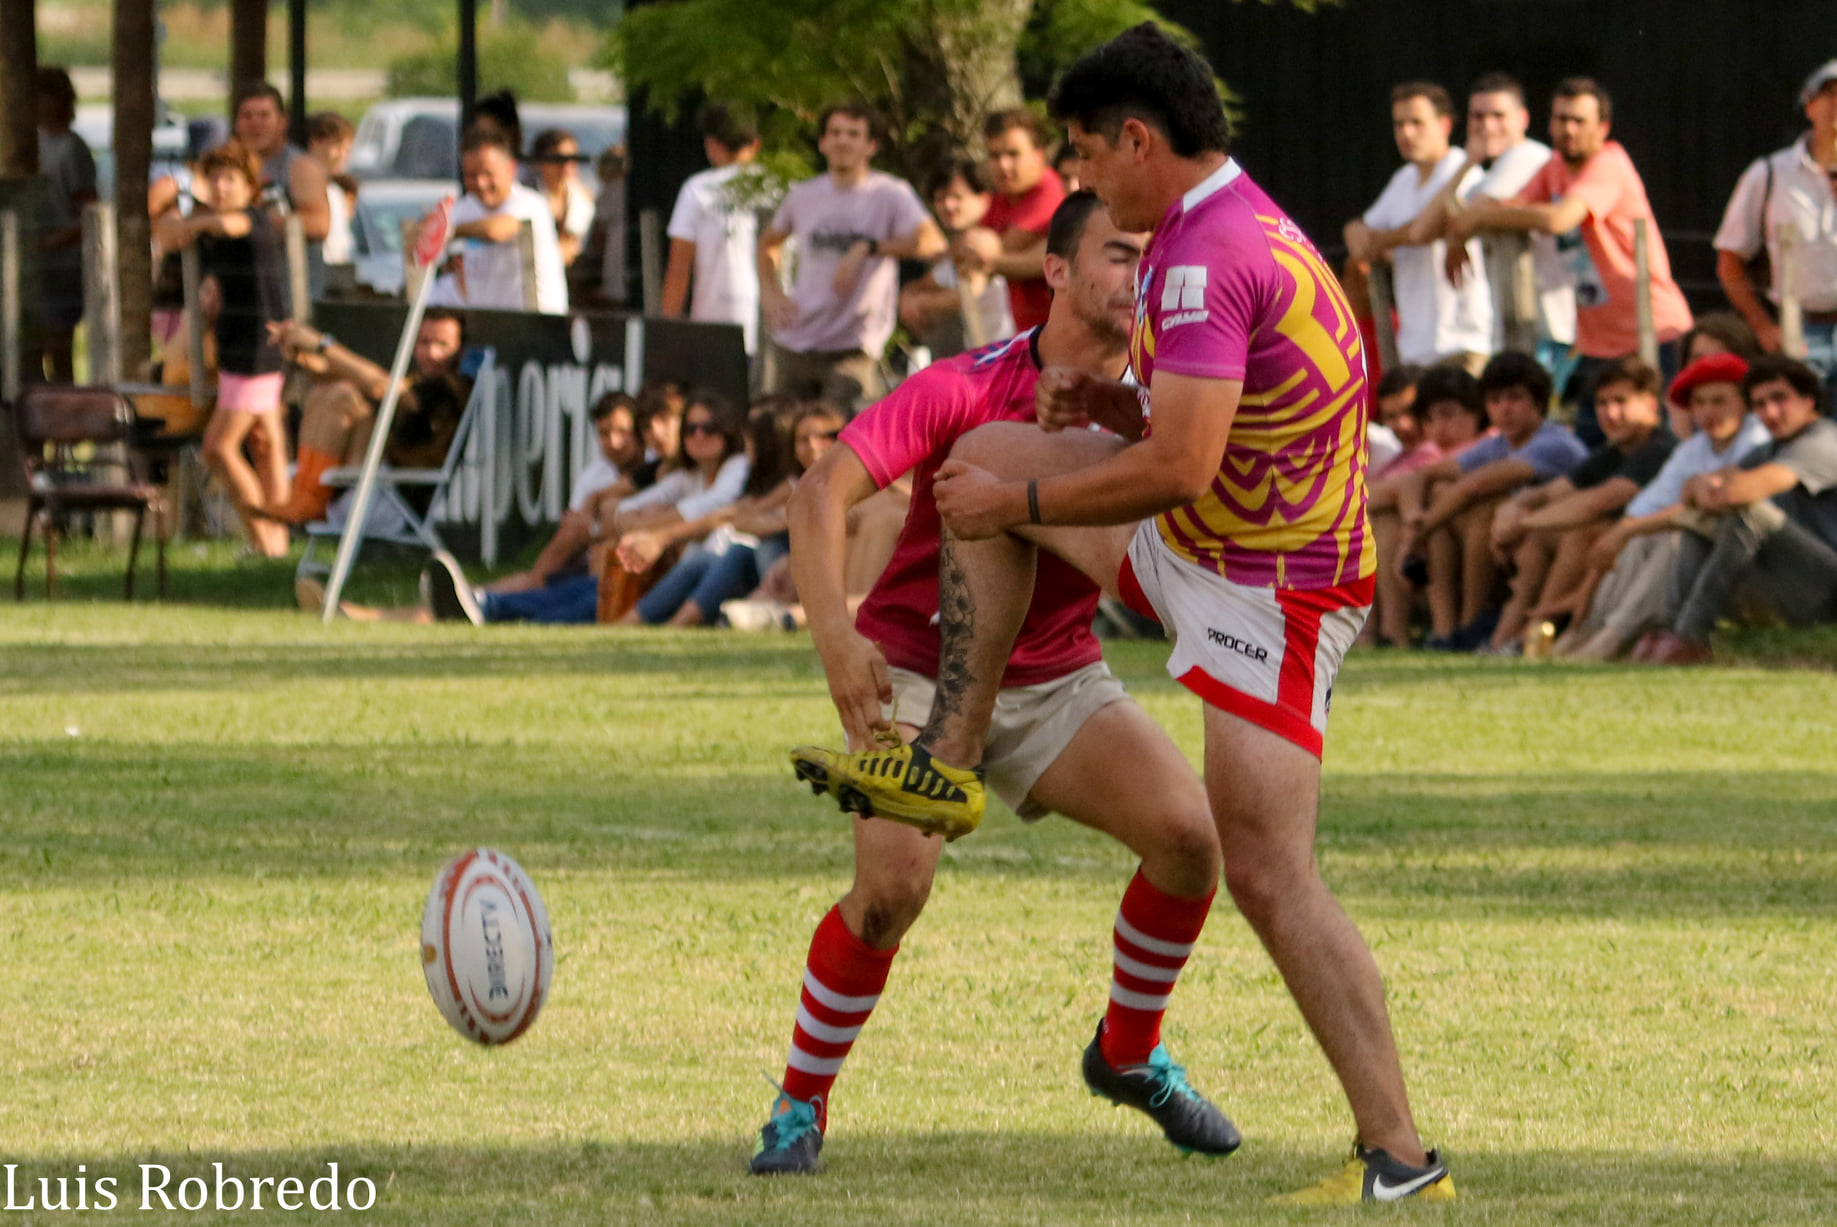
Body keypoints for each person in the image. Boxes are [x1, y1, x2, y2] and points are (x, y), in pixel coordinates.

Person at [793, 26, 1453, 1204]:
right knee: (989, 449)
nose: (1083, 178)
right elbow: (1204, 414)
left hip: (1271, 589)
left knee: (1263, 870)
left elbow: (1184, 464)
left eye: (1090, 157)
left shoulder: (1201, 257)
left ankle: (1400, 1156)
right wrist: (1096, 405)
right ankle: (945, 758)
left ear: (1140, 140)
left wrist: (1025, 496)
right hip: (1210, 553)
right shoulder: (1222, 226)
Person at [761, 191, 1237, 1176]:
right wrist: (836, 640)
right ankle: (798, 1105)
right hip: (912, 666)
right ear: (1052, 272)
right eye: (1117, 253)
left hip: (1056, 674)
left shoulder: (1167, 406)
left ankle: (1128, 1053)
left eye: (1152, 257)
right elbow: (820, 496)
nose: (1138, 274)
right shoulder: (961, 385)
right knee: (892, 889)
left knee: (1192, 842)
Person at [1450, 78, 1692, 447]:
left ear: (1603, 127)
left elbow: (1558, 219)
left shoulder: (1608, 163)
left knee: (1657, 443)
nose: (1568, 129)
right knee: (1590, 444)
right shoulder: (1555, 167)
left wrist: (1476, 221)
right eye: (1561, 119)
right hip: (1597, 342)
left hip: (1650, 332)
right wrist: (1463, 230)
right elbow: (1502, 204)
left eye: (1579, 120)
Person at [421, 391, 749, 626]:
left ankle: (495, 611)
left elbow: (714, 509)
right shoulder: (686, 475)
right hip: (655, 571)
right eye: (691, 429)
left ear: (729, 430)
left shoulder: (736, 467)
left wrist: (654, 531)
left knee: (592, 598)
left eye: (709, 428)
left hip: (692, 577)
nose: (698, 436)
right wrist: (642, 524)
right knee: (587, 588)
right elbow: (625, 512)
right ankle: (486, 605)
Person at [1561, 353, 1770, 660]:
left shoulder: (1757, 439)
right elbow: (1641, 511)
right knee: (1638, 540)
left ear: (1744, 403)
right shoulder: (1693, 449)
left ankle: (1613, 636)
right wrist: (1625, 532)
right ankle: (1591, 632)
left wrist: (1627, 529)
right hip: (1715, 561)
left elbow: (1706, 507)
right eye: (1700, 403)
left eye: (1719, 401)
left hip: (1755, 563)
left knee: (1671, 539)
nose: (1708, 411)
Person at [1639, 355, 1837, 664]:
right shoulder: (1771, 448)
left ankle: (1692, 636)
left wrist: (1706, 489)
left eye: (1780, 399)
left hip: (1827, 586)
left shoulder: (1824, 442)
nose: (1770, 412)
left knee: (1748, 514)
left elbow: (1737, 492)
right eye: (1760, 404)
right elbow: (1695, 492)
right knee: (1698, 520)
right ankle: (1672, 630)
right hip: (1798, 580)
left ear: (1808, 401)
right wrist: (1700, 485)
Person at [155, 138, 293, 559]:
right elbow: (168, 234)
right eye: (213, 179)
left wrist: (190, 225)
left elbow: (230, 225)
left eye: (230, 179)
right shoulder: (215, 225)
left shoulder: (252, 219)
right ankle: (278, 545)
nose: (220, 187)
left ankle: (264, 541)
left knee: (218, 447)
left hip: (256, 350)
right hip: (240, 347)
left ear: (250, 187)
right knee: (266, 447)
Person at [1480, 356, 1675, 653]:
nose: (1610, 413)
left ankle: (1534, 636)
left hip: (1651, 553)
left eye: (1621, 401)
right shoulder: (1611, 453)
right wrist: (1512, 510)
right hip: (1615, 552)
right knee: (1534, 542)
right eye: (1602, 403)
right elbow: (1553, 492)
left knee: (1579, 533)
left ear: (1650, 404)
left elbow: (1598, 502)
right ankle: (1502, 642)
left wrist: (1520, 523)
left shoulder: (1659, 448)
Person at [758, 102, 945, 409]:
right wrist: (770, 292)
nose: (842, 141)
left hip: (853, 348)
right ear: (822, 143)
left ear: (871, 145)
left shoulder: (890, 193)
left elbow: (933, 243)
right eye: (834, 133)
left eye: (853, 134)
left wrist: (871, 247)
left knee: (842, 438)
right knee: (782, 439)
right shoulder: (803, 195)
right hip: (797, 340)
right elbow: (768, 243)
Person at [1395, 352, 1585, 650]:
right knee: (1442, 504)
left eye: (1515, 398)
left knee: (1480, 505)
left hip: (1542, 541)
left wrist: (1412, 540)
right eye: (1495, 400)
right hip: (1508, 541)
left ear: (1537, 401)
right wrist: (1412, 518)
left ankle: (1471, 624)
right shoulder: (1497, 444)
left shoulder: (1556, 443)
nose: (1504, 409)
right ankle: (1444, 632)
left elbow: (1477, 484)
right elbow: (1417, 477)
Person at [617, 401, 842, 627]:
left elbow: (734, 515)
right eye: (803, 440)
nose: (813, 446)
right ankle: (647, 624)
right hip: (779, 569)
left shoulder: (844, 480)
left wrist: (658, 535)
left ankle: (681, 624)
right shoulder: (795, 483)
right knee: (718, 557)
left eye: (824, 437)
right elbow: (733, 516)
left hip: (821, 577)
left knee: (756, 547)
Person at [262, 310, 471, 525]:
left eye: (443, 345)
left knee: (342, 397)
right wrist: (305, 356)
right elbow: (363, 380)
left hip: (398, 502)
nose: (432, 353)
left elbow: (381, 387)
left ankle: (308, 501)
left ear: (461, 351)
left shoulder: (453, 389)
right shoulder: (418, 381)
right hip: (373, 488)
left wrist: (321, 344)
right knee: (329, 394)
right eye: (424, 342)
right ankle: (305, 497)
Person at [1344, 82, 1493, 369]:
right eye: (1399, 124)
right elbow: (1358, 238)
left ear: (1445, 124)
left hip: (1463, 342)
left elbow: (1423, 231)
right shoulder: (1403, 179)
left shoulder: (1465, 170)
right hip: (1413, 349)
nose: (1406, 133)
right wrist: (1358, 230)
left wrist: (1383, 240)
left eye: (1416, 123)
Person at [1713, 59, 1837, 389]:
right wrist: (1764, 328)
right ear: (1809, 105)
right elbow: (1730, 263)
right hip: (1799, 334)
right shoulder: (1768, 173)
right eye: (1831, 94)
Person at [1365, 365, 1489, 647]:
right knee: (1386, 522)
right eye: (1429, 418)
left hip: (1460, 547)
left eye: (1447, 414)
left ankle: (1398, 632)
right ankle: (1383, 632)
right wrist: (1412, 520)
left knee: (1398, 521)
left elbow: (1381, 493)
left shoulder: (1481, 446)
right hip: (1421, 547)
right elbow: (1399, 488)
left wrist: (1412, 528)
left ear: (1476, 412)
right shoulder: (1419, 453)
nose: (1437, 427)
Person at [484, 392, 650, 596]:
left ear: (640, 431)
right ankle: (478, 596)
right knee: (540, 579)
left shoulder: (656, 466)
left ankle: (488, 599)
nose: (614, 442)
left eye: (622, 432)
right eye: (605, 433)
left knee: (606, 527)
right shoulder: (594, 476)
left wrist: (593, 520)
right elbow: (572, 528)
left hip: (635, 562)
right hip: (582, 564)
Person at [661, 104, 763, 355]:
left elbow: (679, 267)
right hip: (768, 325)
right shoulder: (778, 186)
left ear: (711, 144)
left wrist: (665, 330)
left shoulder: (698, 189)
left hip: (712, 324)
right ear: (756, 144)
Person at [952, 109, 1066, 334]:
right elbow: (962, 251)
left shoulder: (1050, 191)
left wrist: (989, 259)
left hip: (1061, 336)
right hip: (1028, 335)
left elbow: (1000, 246)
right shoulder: (1004, 198)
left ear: (1038, 154)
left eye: (1013, 154)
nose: (1003, 165)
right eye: (994, 155)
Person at [432, 128, 568, 314]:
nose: (480, 183)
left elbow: (496, 230)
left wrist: (446, 231)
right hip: (486, 323)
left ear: (510, 169)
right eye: (472, 175)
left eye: (488, 174)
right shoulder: (463, 209)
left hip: (537, 325)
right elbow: (421, 248)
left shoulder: (531, 204)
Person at [898, 159, 1014, 360]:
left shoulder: (985, 240)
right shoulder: (955, 249)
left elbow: (971, 292)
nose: (948, 206)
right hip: (983, 357)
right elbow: (930, 282)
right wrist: (909, 294)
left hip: (1007, 354)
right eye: (940, 199)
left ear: (983, 199)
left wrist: (922, 303)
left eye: (957, 197)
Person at [231, 83, 332, 299]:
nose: (255, 123)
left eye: (264, 115)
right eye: (247, 116)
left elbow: (319, 224)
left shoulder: (300, 166)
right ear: (237, 123)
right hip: (242, 298)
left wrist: (255, 220)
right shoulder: (226, 168)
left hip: (291, 299)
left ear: (282, 123)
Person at [31, 67, 97, 383]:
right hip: (32, 264)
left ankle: (66, 424)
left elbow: (88, 213)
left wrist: (49, 243)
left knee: (59, 347)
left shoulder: (72, 147)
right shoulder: (27, 142)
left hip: (61, 266)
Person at [529, 128, 595, 270]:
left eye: (573, 158)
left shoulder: (583, 199)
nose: (566, 165)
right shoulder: (527, 198)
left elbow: (575, 246)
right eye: (558, 159)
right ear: (539, 162)